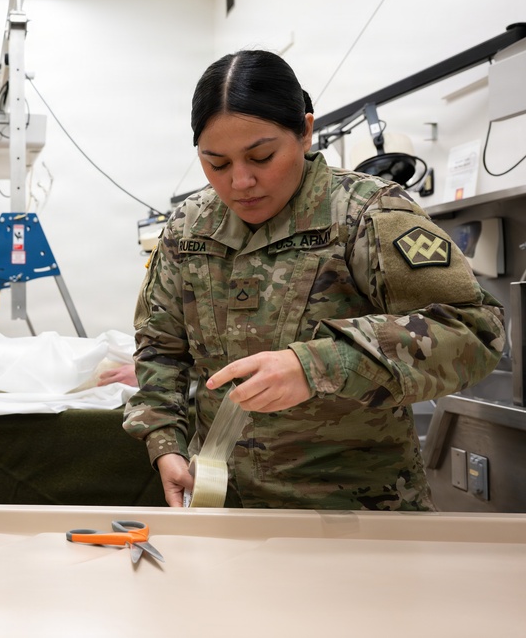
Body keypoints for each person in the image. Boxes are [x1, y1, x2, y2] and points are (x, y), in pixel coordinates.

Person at [123, 50, 506, 511]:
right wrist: (164, 443)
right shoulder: (189, 229)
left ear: (305, 131)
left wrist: (319, 365)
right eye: (217, 164)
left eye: (261, 156)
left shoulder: (367, 214)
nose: (240, 181)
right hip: (227, 507)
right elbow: (160, 350)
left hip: (358, 513)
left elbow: (474, 329)